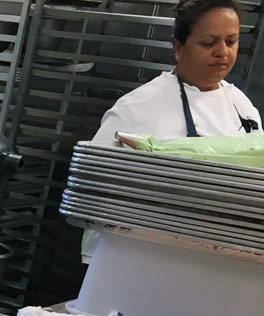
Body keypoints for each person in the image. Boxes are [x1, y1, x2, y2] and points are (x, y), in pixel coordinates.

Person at [84, 0, 261, 263]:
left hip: (219, 258)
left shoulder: (241, 105)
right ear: (179, 48)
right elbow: (92, 190)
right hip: (141, 258)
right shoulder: (138, 108)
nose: (222, 52)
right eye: (208, 43)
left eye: (231, 41)